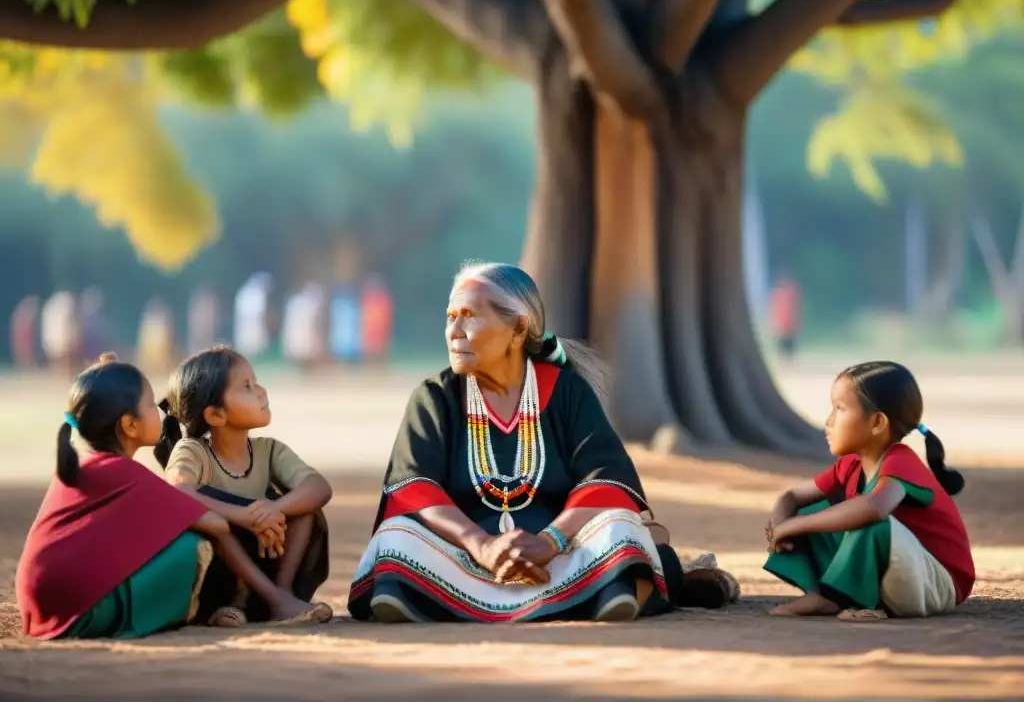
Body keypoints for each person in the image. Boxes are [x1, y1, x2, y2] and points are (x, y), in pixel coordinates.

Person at [349, 262, 737, 624]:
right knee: (396, 538)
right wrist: (481, 544)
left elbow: (605, 479)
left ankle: (433, 601)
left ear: (518, 329)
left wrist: (549, 542)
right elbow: (415, 488)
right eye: (450, 318)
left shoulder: (566, 391)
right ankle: (600, 594)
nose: (455, 331)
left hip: (560, 556)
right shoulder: (435, 397)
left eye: (469, 316)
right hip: (464, 558)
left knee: (619, 528)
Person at [16, 354, 317, 640]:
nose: (158, 411)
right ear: (130, 425)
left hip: (38, 607)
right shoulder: (130, 475)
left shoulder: (81, 468)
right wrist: (252, 518)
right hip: (77, 614)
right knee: (193, 547)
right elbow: (217, 525)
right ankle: (266, 600)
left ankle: (268, 598)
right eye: (149, 404)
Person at [764, 361, 974, 620]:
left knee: (869, 520)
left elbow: (875, 508)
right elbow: (792, 496)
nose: (828, 421)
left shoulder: (901, 461)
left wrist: (795, 526)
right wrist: (781, 522)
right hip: (899, 576)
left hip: (936, 584)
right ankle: (821, 592)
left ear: (876, 422)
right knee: (812, 510)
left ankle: (832, 598)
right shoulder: (850, 464)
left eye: (839, 409)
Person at [156, 346, 334, 626]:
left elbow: (319, 486)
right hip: (217, 578)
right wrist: (244, 517)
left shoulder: (268, 450)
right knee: (212, 520)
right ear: (215, 415)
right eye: (246, 387)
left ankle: (280, 595)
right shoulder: (192, 451)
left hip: (267, 558)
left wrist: (274, 509)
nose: (261, 391)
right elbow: (177, 491)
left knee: (306, 508)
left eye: (255, 382)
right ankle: (235, 604)